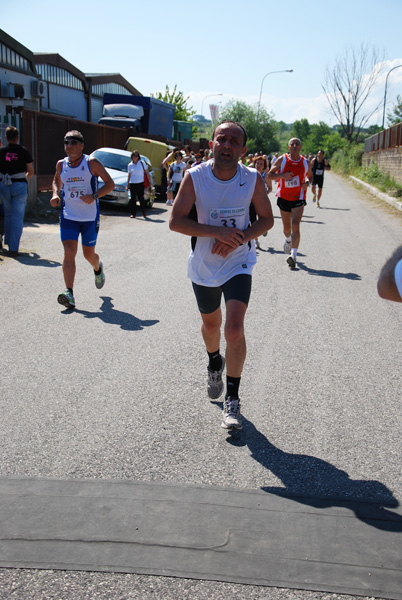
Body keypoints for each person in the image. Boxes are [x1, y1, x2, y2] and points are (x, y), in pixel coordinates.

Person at [169, 120, 274, 430]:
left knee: (234, 327)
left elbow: (266, 220)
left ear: (242, 149)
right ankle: (214, 361)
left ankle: (233, 399)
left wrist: (237, 239)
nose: (227, 145)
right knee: (211, 324)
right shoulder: (195, 177)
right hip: (204, 264)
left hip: (239, 260)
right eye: (222, 139)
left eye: (234, 141)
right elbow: (175, 221)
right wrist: (216, 233)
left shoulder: (252, 179)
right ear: (211, 144)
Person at [50, 130, 114, 309]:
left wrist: (94, 195)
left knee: (88, 255)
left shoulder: (91, 163)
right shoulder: (61, 165)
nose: (69, 145)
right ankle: (69, 293)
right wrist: (56, 193)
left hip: (89, 217)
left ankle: (97, 268)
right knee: (69, 251)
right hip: (69, 215)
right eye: (66, 142)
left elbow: (110, 184)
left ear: (81, 145)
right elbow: (56, 180)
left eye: (73, 142)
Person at [268, 138, 312, 269]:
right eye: (292, 144)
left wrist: (307, 182)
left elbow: (310, 176)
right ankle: (288, 240)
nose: (294, 146)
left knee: (295, 225)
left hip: (299, 197)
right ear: (288, 147)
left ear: (300, 147)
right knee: (287, 229)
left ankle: (293, 256)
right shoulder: (282, 160)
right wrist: (282, 175)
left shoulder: (305, 162)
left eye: (297, 144)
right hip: (284, 197)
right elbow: (269, 176)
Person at [0, 126, 34, 256]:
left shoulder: (1, 151)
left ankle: (7, 241)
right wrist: (21, 178)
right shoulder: (23, 151)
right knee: (17, 217)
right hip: (19, 185)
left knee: (8, 214)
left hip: (4, 185)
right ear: (18, 138)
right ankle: (14, 248)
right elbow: (31, 172)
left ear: (6, 138)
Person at [250, 155, 272, 249]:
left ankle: (264, 229)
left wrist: (264, 194)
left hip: (261, 202)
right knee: (253, 222)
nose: (258, 165)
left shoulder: (265, 176)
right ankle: (256, 241)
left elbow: (270, 188)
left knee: (262, 220)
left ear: (264, 166)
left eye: (261, 164)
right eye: (257, 163)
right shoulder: (250, 174)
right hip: (251, 202)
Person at [126, 151, 152, 218]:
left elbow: (147, 172)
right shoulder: (130, 165)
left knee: (141, 198)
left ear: (138, 157)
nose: (135, 157)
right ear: (132, 157)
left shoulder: (142, 163)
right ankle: (133, 213)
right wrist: (127, 185)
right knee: (133, 199)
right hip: (132, 183)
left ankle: (143, 212)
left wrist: (150, 181)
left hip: (140, 183)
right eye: (134, 155)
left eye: (136, 156)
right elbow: (129, 175)